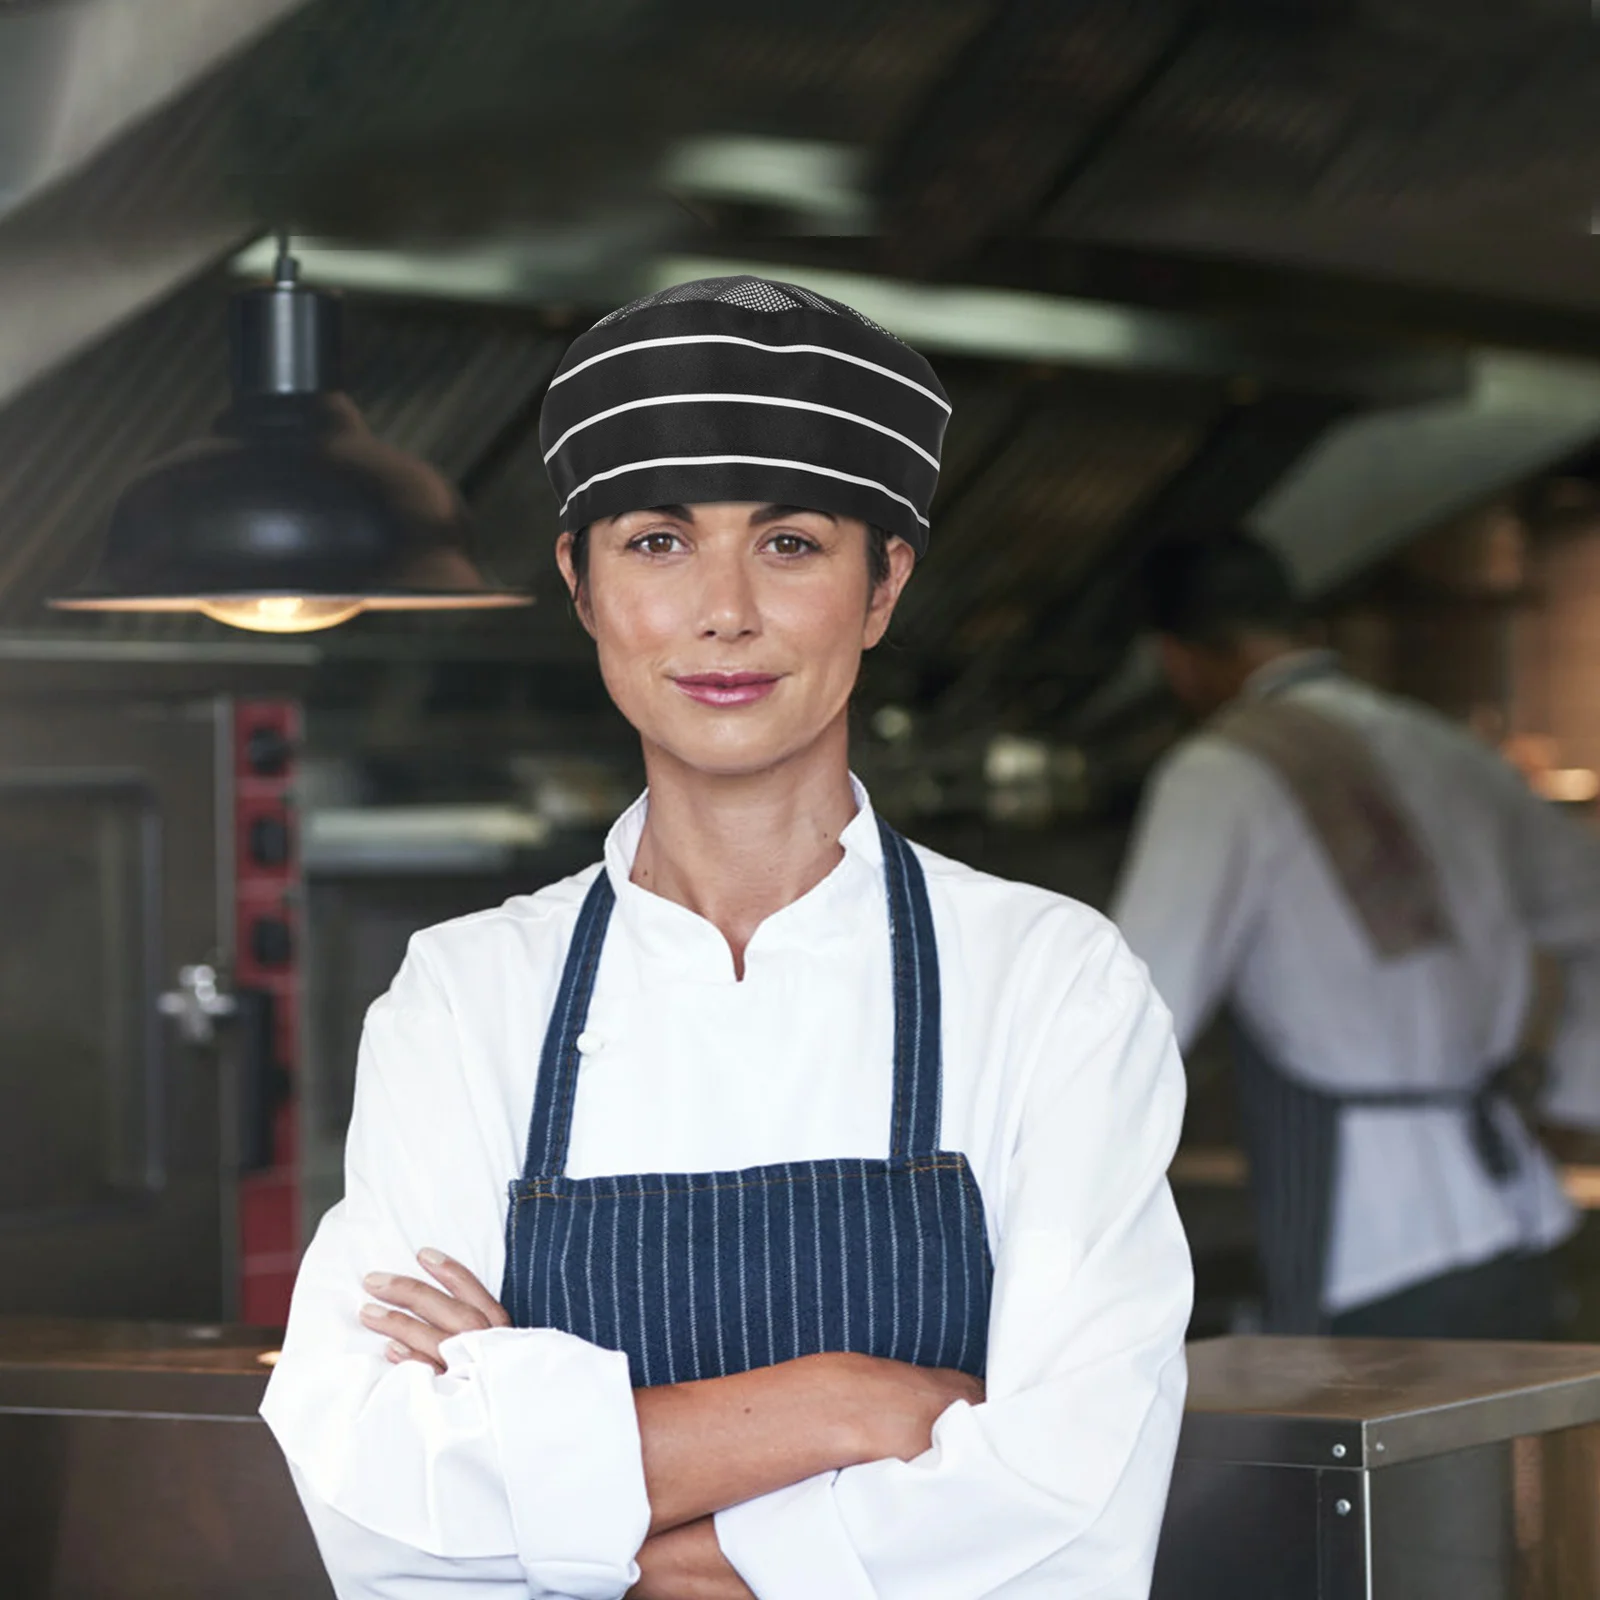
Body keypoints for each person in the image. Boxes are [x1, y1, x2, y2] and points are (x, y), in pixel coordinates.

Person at [262, 276, 1192, 1600]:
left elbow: (1068, 1501)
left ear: (883, 589)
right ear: (580, 586)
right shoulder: (469, 998)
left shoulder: (1052, 983)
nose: (724, 613)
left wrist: (582, 1510)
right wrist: (852, 1403)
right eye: (656, 542)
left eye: (792, 543)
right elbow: (375, 1496)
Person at [1113, 527, 1600, 1338]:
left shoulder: (1219, 773)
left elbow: (1132, 1010)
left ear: (1178, 659)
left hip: (1372, 1243)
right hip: (1515, 1205)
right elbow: (1589, 912)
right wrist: (1562, 1089)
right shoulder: (1444, 747)